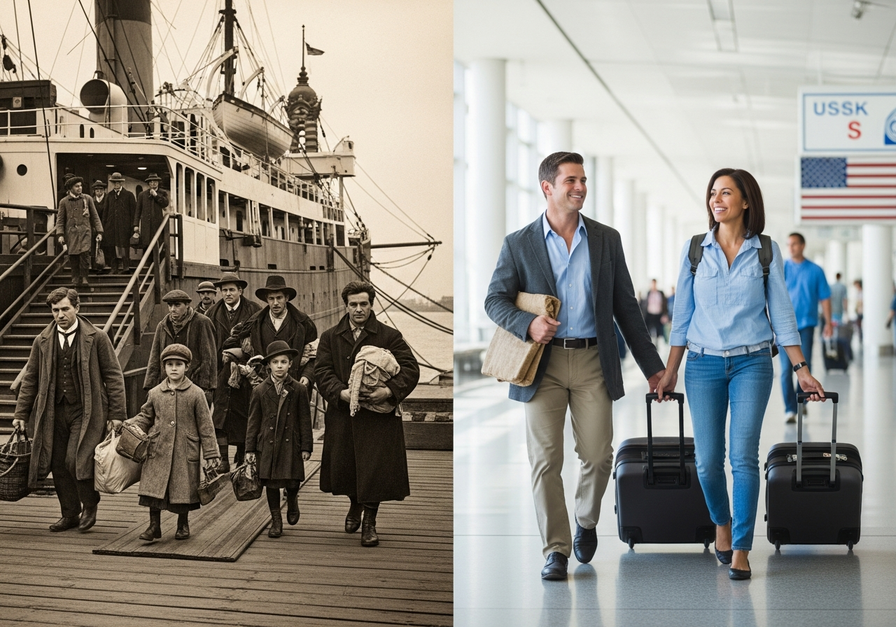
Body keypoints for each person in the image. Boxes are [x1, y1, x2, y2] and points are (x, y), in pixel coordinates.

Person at [483, 151, 665, 580]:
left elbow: (626, 308)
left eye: (582, 179)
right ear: (548, 187)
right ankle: (556, 550)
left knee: (599, 455)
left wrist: (654, 368)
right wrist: (528, 324)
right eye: (571, 180)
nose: (580, 187)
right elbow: (494, 300)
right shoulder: (519, 243)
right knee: (545, 461)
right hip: (540, 366)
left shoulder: (605, 239)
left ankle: (586, 519)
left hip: (592, 360)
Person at [655, 168, 825, 581]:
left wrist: (801, 369)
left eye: (726, 192)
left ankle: (742, 548)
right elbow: (682, 315)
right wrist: (670, 369)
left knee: (744, 457)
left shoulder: (766, 251)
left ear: (746, 201)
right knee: (709, 461)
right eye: (713, 192)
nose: (717, 199)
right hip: (702, 363)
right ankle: (722, 523)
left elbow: (782, 315)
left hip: (752, 363)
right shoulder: (695, 250)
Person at [12, 288, 127, 533]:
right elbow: (30, 379)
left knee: (77, 458)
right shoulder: (42, 341)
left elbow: (114, 376)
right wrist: (21, 414)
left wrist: (117, 414)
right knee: (57, 463)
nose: (61, 315)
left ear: (77, 308)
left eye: (65, 309)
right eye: (56, 310)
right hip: (53, 411)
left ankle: (90, 504)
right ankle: (69, 514)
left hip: (87, 410)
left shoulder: (97, 337)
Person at [315, 281, 419, 547]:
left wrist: (388, 391)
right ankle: (354, 506)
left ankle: (370, 522)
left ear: (371, 304)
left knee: (375, 470)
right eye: (353, 304)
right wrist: (341, 393)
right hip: (344, 415)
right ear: (346, 305)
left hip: (378, 419)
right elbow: (322, 372)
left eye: (364, 304)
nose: (358, 309)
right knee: (348, 467)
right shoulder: (329, 337)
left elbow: (410, 369)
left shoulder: (389, 336)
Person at [124, 344, 219, 542]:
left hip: (184, 450)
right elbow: (146, 416)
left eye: (178, 364)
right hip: (157, 449)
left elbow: (206, 426)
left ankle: (182, 525)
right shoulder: (156, 393)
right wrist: (132, 424)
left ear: (187, 367)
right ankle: (154, 526)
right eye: (169, 364)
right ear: (164, 367)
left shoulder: (196, 394)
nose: (174, 368)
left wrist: (211, 454)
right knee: (153, 490)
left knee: (183, 490)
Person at [245, 340, 313, 538]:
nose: (280, 366)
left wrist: (306, 446)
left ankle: (292, 500)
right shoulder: (259, 391)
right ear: (269, 365)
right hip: (267, 443)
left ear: (290, 364)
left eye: (284, 361)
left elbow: (304, 420)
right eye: (275, 362)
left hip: (291, 442)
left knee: (292, 480)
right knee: (271, 483)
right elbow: (253, 421)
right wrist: (249, 449)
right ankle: (276, 520)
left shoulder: (299, 389)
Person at [206, 273, 263, 470]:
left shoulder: (254, 310)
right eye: (224, 290)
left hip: (247, 370)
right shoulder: (212, 313)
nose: (228, 293)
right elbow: (208, 344)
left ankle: (242, 453)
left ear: (240, 291)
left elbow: (260, 339)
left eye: (232, 290)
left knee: (244, 413)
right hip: (222, 372)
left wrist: (240, 354)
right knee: (221, 413)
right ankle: (223, 459)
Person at [781, 232, 832, 424]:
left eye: (794, 244)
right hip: (784, 326)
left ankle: (800, 403)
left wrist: (828, 323)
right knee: (786, 370)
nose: (791, 248)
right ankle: (790, 409)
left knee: (804, 367)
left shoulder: (816, 270)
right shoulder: (782, 267)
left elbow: (825, 298)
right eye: (789, 244)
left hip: (807, 325)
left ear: (802, 245)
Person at [143, 290, 217, 405]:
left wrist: (206, 388)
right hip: (167, 387)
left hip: (194, 387)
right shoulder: (163, 325)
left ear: (187, 305)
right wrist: (150, 386)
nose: (173, 309)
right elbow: (154, 358)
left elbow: (209, 358)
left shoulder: (202, 322)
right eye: (170, 305)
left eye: (177, 305)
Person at [245, 275, 317, 385]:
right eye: (271, 299)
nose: (275, 303)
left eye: (279, 298)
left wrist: (307, 375)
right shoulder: (255, 323)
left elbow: (314, 356)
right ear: (266, 299)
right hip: (265, 385)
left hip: (296, 383)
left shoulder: (303, 323)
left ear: (286, 298)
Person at [56, 176, 103, 288]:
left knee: (85, 255)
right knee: (73, 257)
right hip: (71, 233)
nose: (79, 188)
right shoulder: (64, 202)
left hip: (85, 232)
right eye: (77, 186)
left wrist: (100, 232)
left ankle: (85, 277)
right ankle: (75, 278)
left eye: (80, 186)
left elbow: (95, 217)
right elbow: (60, 219)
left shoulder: (87, 199)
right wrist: (60, 234)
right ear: (70, 188)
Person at [100, 172, 137, 273]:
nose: (116, 184)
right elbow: (105, 212)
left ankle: (126, 267)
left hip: (124, 225)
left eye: (118, 182)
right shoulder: (109, 196)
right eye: (114, 182)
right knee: (111, 246)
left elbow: (133, 212)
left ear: (121, 183)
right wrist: (103, 226)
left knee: (124, 245)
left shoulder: (129, 195)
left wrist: (134, 226)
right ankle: (114, 268)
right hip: (111, 225)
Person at [133, 172, 170, 249]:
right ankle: (147, 261)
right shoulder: (142, 195)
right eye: (151, 182)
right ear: (148, 183)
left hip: (158, 224)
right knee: (146, 245)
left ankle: (157, 260)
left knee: (157, 244)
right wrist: (136, 225)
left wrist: (156, 195)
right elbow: (138, 211)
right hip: (146, 225)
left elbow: (165, 203)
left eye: (155, 182)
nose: (153, 184)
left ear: (158, 183)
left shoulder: (162, 193)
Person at [643, 279, 667, 345]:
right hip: (650, 314)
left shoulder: (660, 293)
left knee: (658, 331)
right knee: (649, 330)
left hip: (658, 314)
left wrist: (665, 314)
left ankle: (657, 345)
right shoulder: (648, 293)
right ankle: (649, 344)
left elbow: (664, 304)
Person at [90, 180, 108, 272]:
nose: (99, 192)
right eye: (97, 190)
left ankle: (104, 265)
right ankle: (95, 266)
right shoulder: (91, 201)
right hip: (94, 227)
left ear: (104, 190)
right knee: (94, 246)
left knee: (106, 245)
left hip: (106, 225)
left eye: (101, 190)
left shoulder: (107, 200)